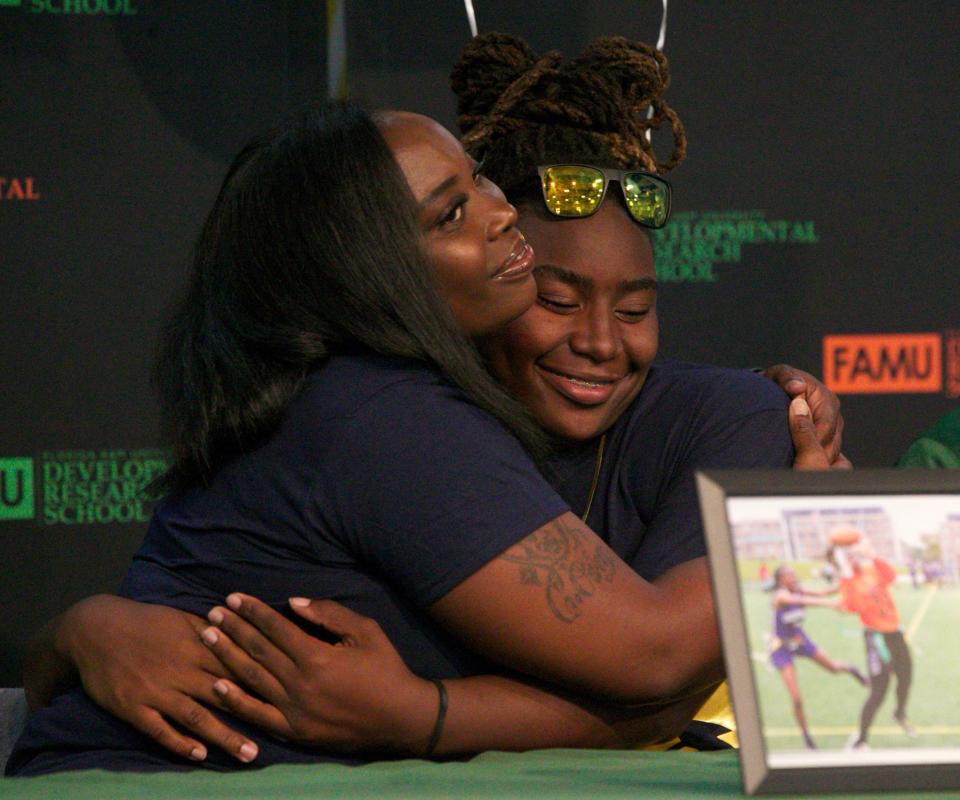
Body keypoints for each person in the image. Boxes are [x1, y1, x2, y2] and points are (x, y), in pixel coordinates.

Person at [12, 37, 844, 772]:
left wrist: (78, 630)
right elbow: (656, 654)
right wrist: (793, 514)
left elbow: (647, 696)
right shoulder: (380, 417)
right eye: (450, 212)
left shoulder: (349, 403)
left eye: (477, 177)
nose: (496, 213)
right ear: (372, 274)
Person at [829, 533, 916, 750]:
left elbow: (891, 576)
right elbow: (852, 606)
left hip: (895, 633)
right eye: (845, 557)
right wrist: (846, 575)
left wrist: (872, 554)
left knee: (906, 677)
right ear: (838, 563)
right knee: (880, 689)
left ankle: (898, 713)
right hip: (876, 638)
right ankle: (861, 739)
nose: (851, 558)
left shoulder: (870, 570)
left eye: (850, 555)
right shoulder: (848, 582)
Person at [767, 565, 866, 750]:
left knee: (833, 668)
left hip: (799, 640)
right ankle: (807, 738)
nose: (794, 577)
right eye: (790, 575)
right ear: (781, 579)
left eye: (794, 574)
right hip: (781, 647)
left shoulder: (799, 591)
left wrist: (843, 583)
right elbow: (801, 600)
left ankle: (853, 670)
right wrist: (830, 604)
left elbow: (823, 593)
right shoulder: (781, 596)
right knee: (796, 698)